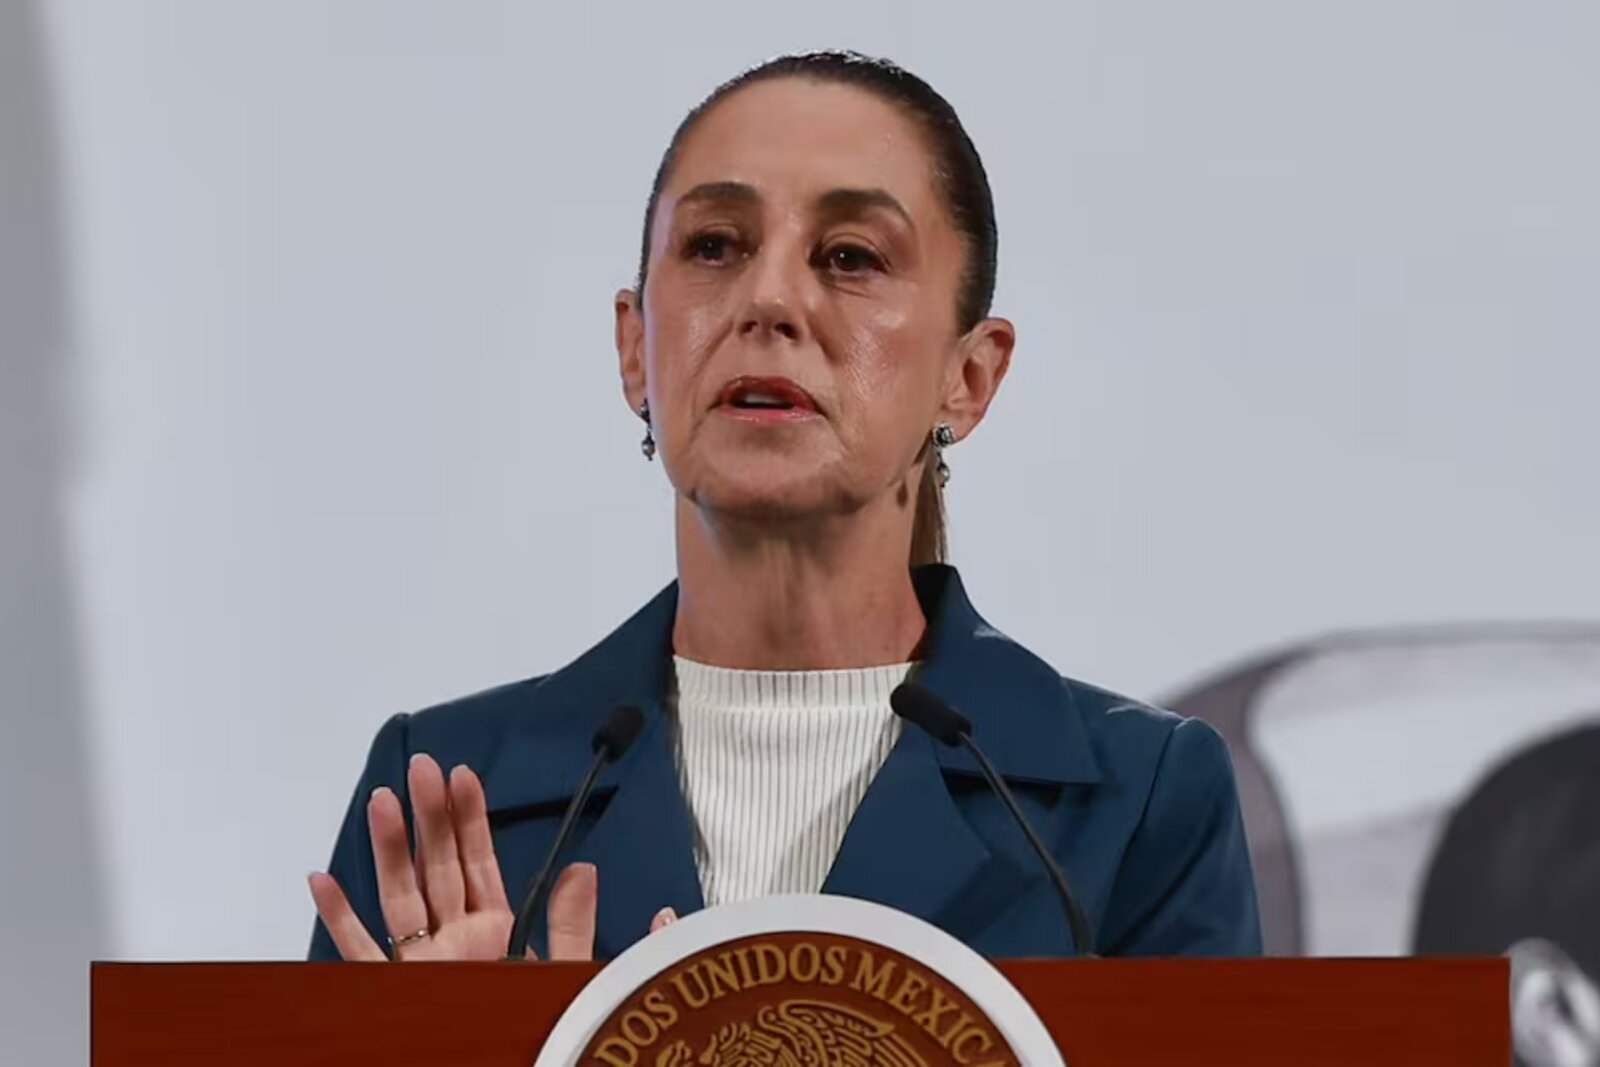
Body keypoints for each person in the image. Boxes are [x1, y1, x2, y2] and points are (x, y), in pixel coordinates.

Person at [307, 50, 1262, 963]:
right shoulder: (446, 800)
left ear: (969, 377)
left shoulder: (1135, 806)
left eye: (850, 255)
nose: (768, 300)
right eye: (715, 246)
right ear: (636, 349)